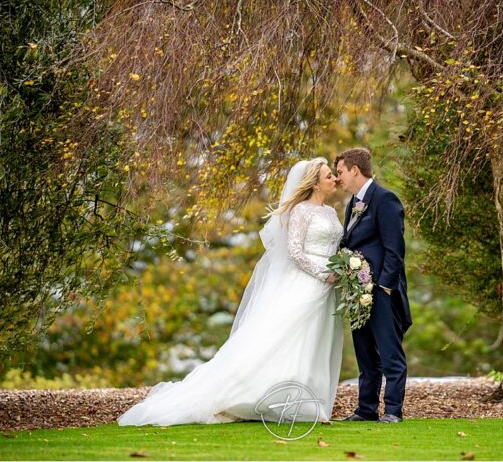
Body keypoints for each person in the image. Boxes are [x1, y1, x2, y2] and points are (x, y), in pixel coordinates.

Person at [118, 158, 345, 426]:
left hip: (328, 286)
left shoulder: (330, 213)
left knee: (317, 340)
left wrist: (343, 268)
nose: (334, 180)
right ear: (315, 183)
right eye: (329, 176)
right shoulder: (300, 212)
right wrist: (323, 273)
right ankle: (256, 397)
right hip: (306, 282)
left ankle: (308, 404)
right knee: (290, 340)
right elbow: (295, 252)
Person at [334, 148, 411, 424]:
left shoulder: (385, 199)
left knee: (390, 353)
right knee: (365, 354)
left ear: (355, 169)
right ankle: (366, 409)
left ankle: (392, 410)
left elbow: (395, 249)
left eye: (340, 172)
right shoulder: (351, 203)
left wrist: (385, 288)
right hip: (358, 292)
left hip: (380, 291)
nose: (338, 178)